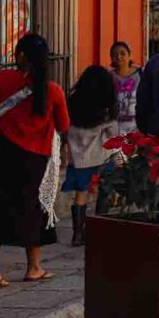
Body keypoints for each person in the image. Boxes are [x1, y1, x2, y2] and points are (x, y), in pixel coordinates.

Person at [0, 34, 68, 289]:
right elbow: (64, 125)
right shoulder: (52, 90)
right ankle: (34, 268)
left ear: (20, 56)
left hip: (3, 153)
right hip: (36, 158)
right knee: (34, 209)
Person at [63, 64, 116, 248]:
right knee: (105, 191)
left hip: (78, 160)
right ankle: (100, 229)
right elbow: (113, 135)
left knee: (81, 193)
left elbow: (64, 128)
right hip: (101, 158)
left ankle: (78, 234)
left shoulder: (71, 106)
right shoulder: (105, 111)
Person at [108, 41, 141, 135]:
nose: (119, 57)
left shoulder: (140, 74)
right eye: (115, 54)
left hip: (136, 128)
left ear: (129, 56)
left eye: (122, 53)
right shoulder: (108, 77)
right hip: (115, 129)